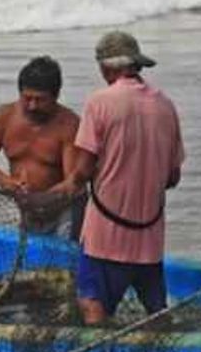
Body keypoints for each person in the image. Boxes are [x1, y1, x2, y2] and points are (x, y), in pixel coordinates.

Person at [54, 32, 185, 325]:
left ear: (106, 67)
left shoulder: (99, 102)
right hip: (150, 235)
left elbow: (83, 171)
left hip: (105, 236)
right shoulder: (166, 105)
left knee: (92, 303)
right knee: (157, 310)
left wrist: (61, 189)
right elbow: (173, 177)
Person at [0, 56, 81, 235]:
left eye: (40, 100)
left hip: (63, 212)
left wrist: (42, 199)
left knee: (62, 250)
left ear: (56, 96)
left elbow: (73, 183)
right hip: (27, 211)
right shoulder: (5, 116)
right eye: (27, 98)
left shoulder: (69, 124)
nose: (32, 106)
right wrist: (5, 182)